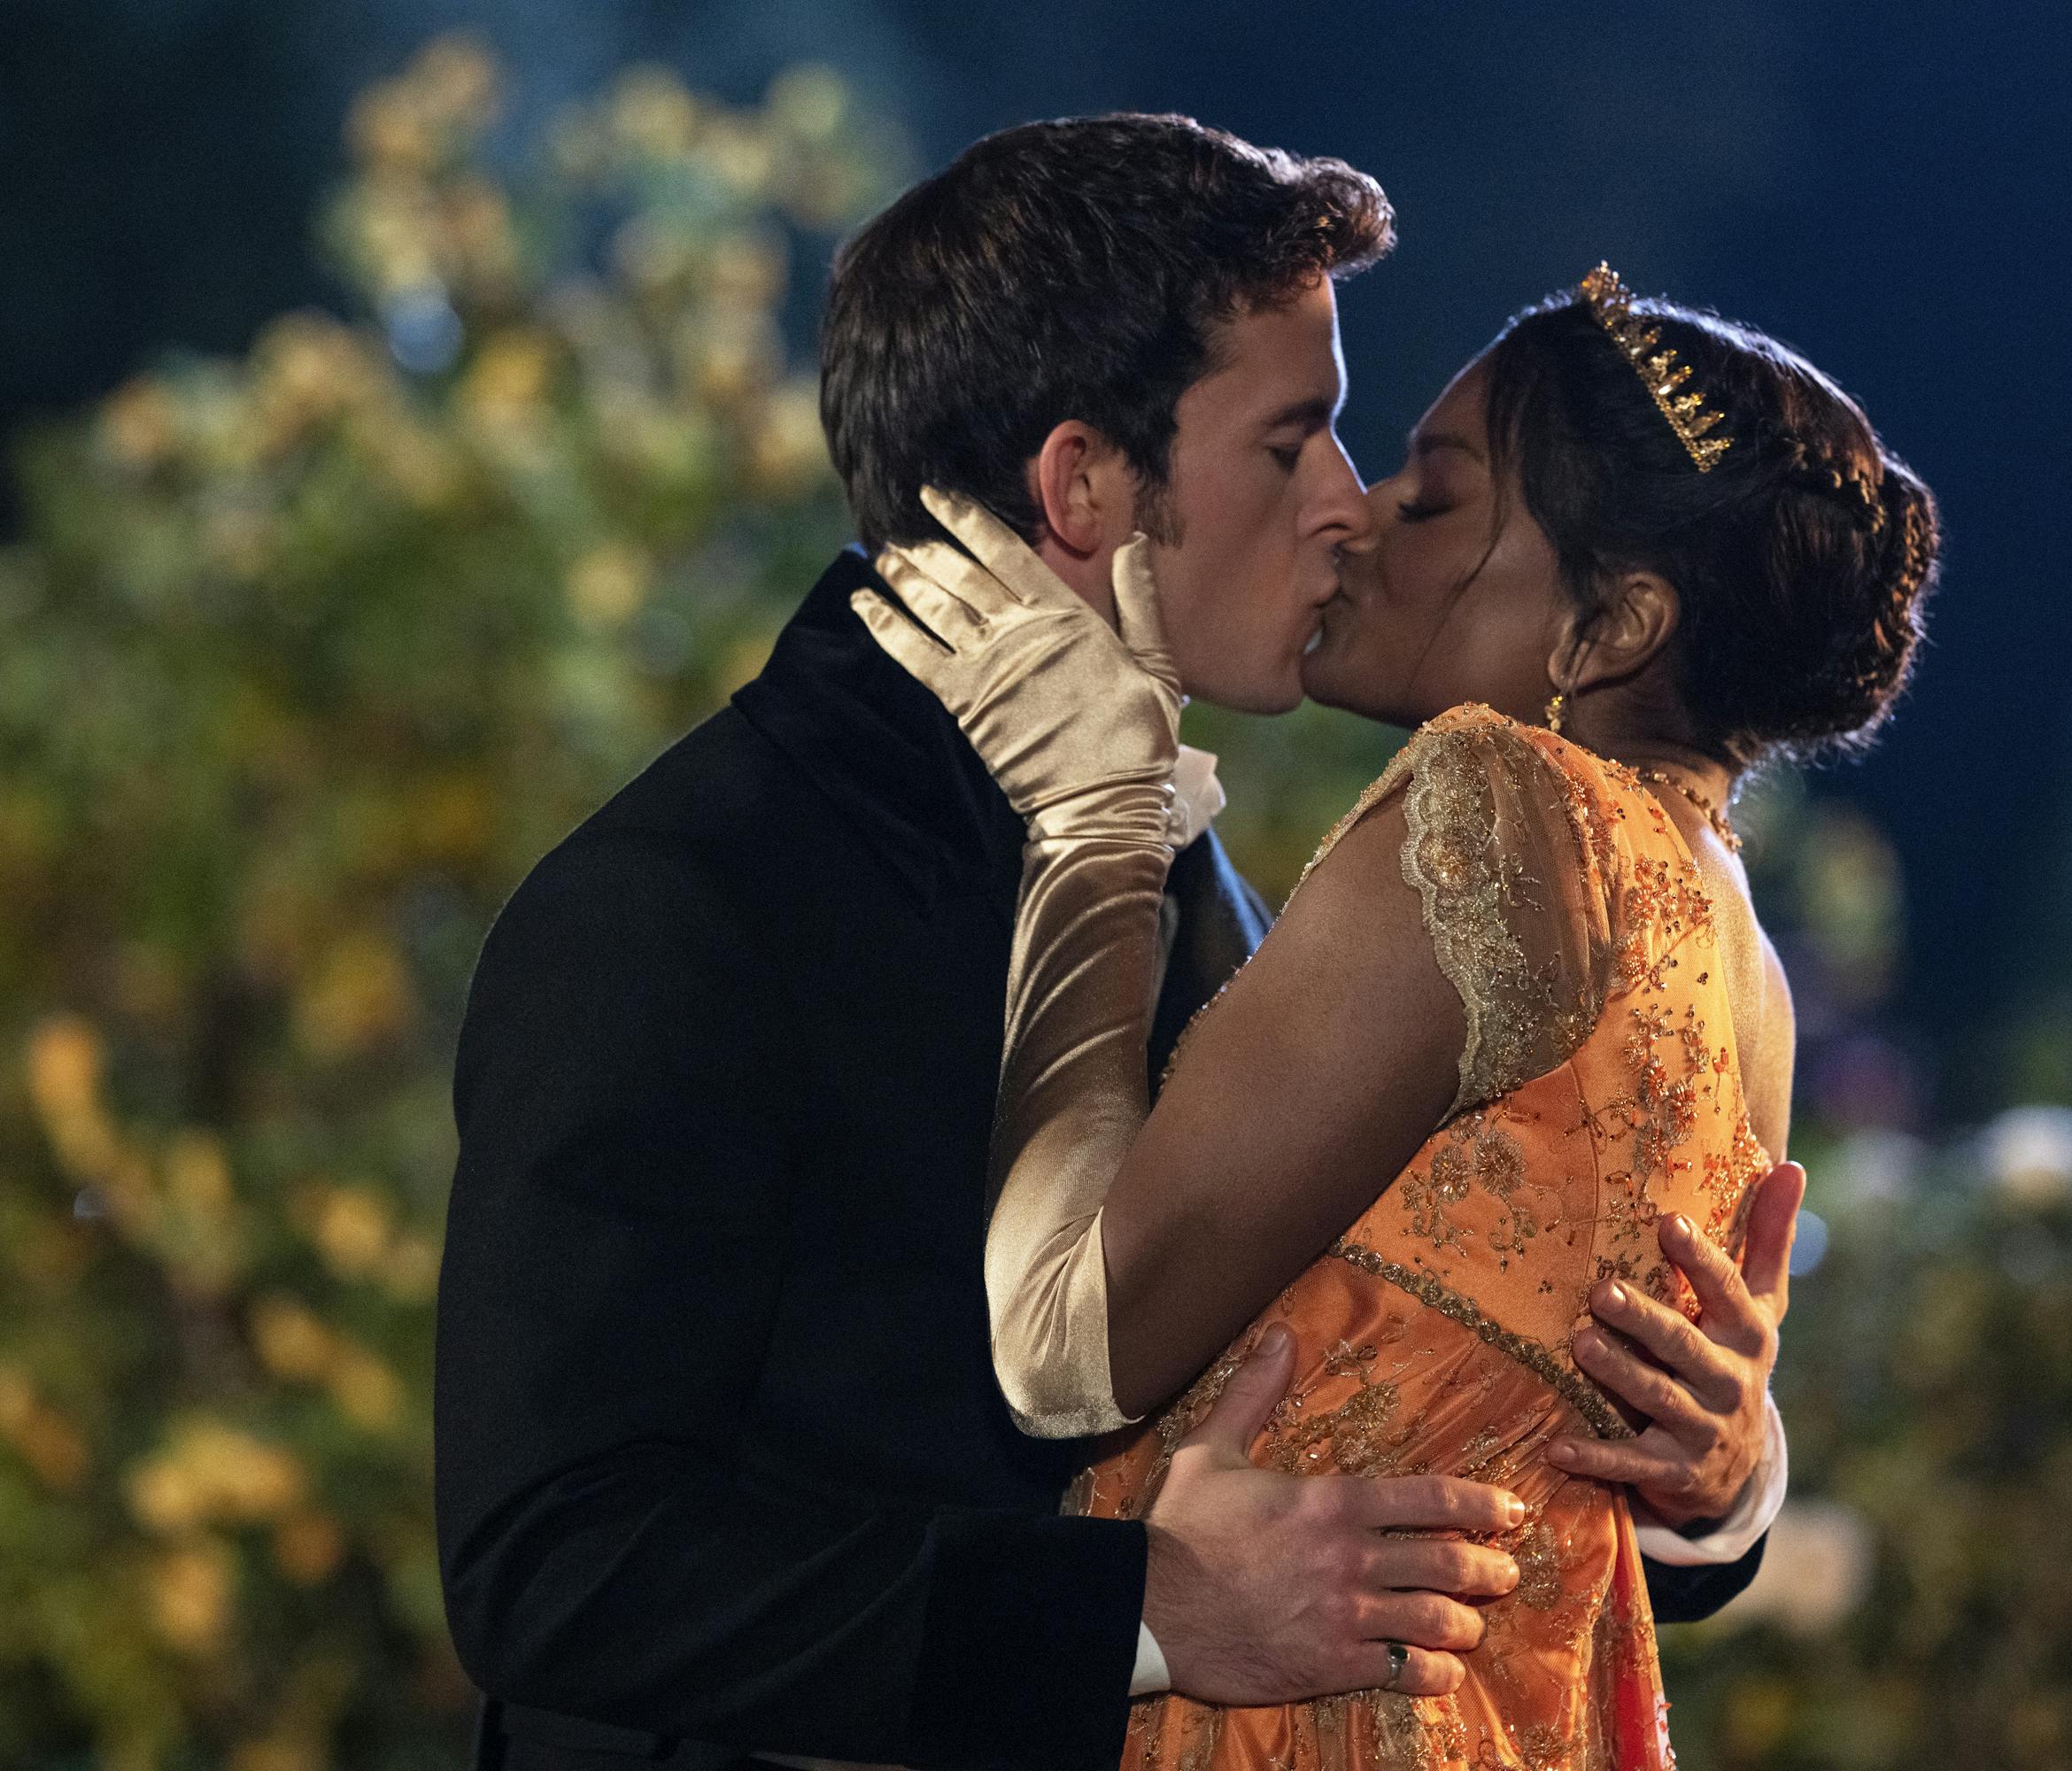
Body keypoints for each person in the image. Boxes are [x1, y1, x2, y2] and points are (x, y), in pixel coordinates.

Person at [434, 113, 1777, 1771]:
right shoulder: (686, 899)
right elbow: (552, 1567)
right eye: (1294, 444)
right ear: (1083, 486)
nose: (1349, 512)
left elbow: (1381, 1402)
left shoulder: (1177, 857)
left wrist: (1709, 1479)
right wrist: (1138, 1612)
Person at [860, 261, 1937, 1766]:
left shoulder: (1504, 804)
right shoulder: (1736, 955)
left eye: (1433, 503)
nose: (1358, 518)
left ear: (1608, 628)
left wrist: (1092, 811)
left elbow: (1065, 1349)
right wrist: (1731, 1480)